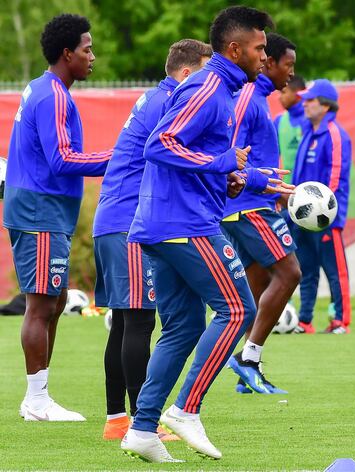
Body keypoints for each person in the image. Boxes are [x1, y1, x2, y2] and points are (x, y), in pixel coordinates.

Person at [121, 7, 294, 463]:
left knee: (182, 328)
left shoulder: (222, 89)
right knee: (238, 308)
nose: (264, 55)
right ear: (234, 49)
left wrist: (248, 179)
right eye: (260, 47)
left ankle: (141, 429)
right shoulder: (211, 86)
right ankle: (186, 410)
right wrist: (223, 165)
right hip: (184, 223)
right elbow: (160, 144)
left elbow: (200, 158)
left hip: (164, 223)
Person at [93, 39, 212, 441]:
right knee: (141, 319)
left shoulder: (152, 97)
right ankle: (145, 424)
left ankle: (116, 421)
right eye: (204, 74)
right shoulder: (170, 105)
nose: (208, 85)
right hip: (130, 220)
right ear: (185, 73)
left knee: (126, 322)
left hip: (112, 219)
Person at [3, 14, 112, 421]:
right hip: (39, 210)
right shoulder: (52, 96)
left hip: (41, 209)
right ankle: (36, 400)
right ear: (68, 54)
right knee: (42, 304)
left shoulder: (42, 88)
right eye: (87, 50)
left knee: (57, 298)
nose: (93, 57)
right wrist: (116, 159)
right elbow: (62, 158)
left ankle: (39, 395)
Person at [222, 33, 301, 395]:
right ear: (269, 63)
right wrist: (256, 184)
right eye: (288, 64)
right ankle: (249, 358)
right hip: (248, 206)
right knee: (289, 273)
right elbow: (231, 151)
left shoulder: (260, 100)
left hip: (254, 204)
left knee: (252, 292)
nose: (291, 73)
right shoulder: (249, 99)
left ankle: (244, 375)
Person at [291, 79, 352, 334]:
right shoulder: (308, 131)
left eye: (310, 100)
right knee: (306, 270)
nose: (304, 104)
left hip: (326, 218)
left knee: (335, 271)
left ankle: (340, 320)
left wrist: (323, 212)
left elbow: (335, 178)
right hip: (302, 218)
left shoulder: (335, 134)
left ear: (325, 106)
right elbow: (297, 175)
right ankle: (305, 321)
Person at [274, 75, 306, 184]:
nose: (279, 97)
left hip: (311, 190)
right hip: (288, 190)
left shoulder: (312, 120)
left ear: (298, 93)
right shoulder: (279, 120)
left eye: (283, 92)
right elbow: (272, 156)